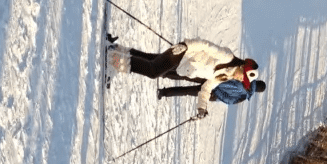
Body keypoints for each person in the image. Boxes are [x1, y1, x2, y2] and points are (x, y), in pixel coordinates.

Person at [105, 32, 264, 118]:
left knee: (152, 61)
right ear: (242, 68)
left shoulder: (225, 75)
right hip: (182, 54)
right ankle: (114, 59)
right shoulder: (227, 57)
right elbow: (205, 45)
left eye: (241, 81)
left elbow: (207, 88)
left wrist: (202, 107)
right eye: (241, 77)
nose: (238, 80)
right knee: (153, 71)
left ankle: (116, 51)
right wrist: (184, 45)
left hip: (183, 67)